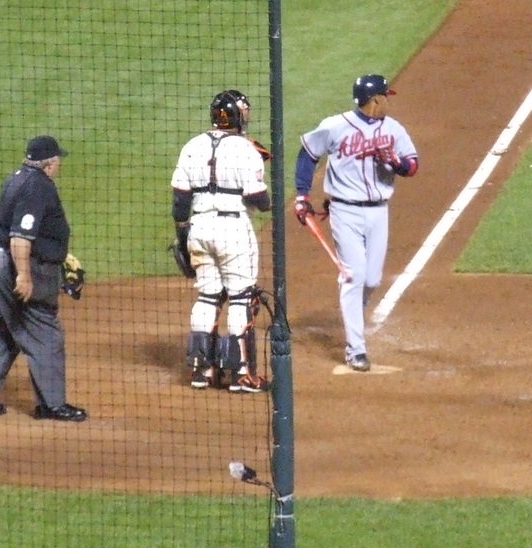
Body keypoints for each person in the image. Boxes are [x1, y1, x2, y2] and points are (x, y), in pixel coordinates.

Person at [293, 73, 419, 372]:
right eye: (385, 96)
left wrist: (395, 162)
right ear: (375, 100)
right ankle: (355, 350)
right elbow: (308, 154)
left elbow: (412, 166)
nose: (388, 100)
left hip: (378, 212)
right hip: (344, 211)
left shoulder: (394, 129)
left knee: (371, 280)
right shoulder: (335, 126)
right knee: (353, 276)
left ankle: (354, 312)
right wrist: (301, 195)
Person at [0, 135, 86, 421]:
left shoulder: (16, 178)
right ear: (49, 163)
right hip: (15, 265)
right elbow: (20, 237)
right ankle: (52, 405)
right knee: (45, 331)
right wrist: (24, 276)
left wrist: (58, 253)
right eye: (58, 160)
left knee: (2, 331)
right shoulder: (38, 187)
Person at [171, 90, 272, 392]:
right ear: (238, 116)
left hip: (199, 227)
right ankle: (242, 374)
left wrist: (184, 234)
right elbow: (259, 199)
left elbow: (180, 201)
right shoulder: (245, 149)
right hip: (232, 229)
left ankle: (202, 371)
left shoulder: (192, 145)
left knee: (208, 297)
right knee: (241, 297)